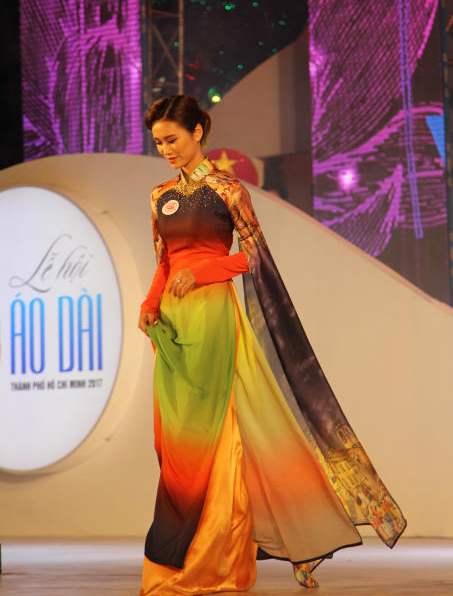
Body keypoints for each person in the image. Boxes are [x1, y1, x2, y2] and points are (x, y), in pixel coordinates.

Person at [137, 95, 406, 596]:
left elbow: (254, 254)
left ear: (198, 132)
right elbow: (164, 261)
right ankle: (190, 549)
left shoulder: (228, 189)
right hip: (174, 325)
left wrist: (205, 271)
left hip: (215, 317)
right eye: (158, 143)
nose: (166, 150)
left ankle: (262, 543)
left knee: (238, 434)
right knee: (176, 440)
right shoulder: (159, 196)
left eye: (172, 139)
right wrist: (150, 303)